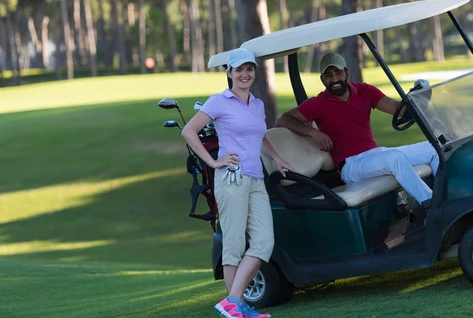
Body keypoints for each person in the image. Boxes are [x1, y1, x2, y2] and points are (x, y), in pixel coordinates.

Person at [182, 48, 294, 318]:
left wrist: (276, 158)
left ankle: (232, 301)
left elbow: (261, 137)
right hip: (231, 179)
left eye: (250, 69)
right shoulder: (219, 101)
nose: (245, 74)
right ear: (229, 73)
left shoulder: (257, 104)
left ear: (254, 72)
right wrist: (213, 162)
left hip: (256, 179)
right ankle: (238, 308)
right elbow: (189, 131)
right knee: (233, 245)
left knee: (264, 242)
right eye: (239, 69)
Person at [275, 52, 438, 207]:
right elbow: (283, 120)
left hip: (375, 155)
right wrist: (313, 132)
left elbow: (398, 110)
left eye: (338, 73)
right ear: (322, 79)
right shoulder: (318, 103)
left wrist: (419, 97)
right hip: (351, 166)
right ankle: (431, 204)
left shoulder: (365, 91)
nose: (334, 79)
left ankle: (446, 196)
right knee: (394, 158)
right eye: (328, 75)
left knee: (434, 148)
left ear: (347, 72)